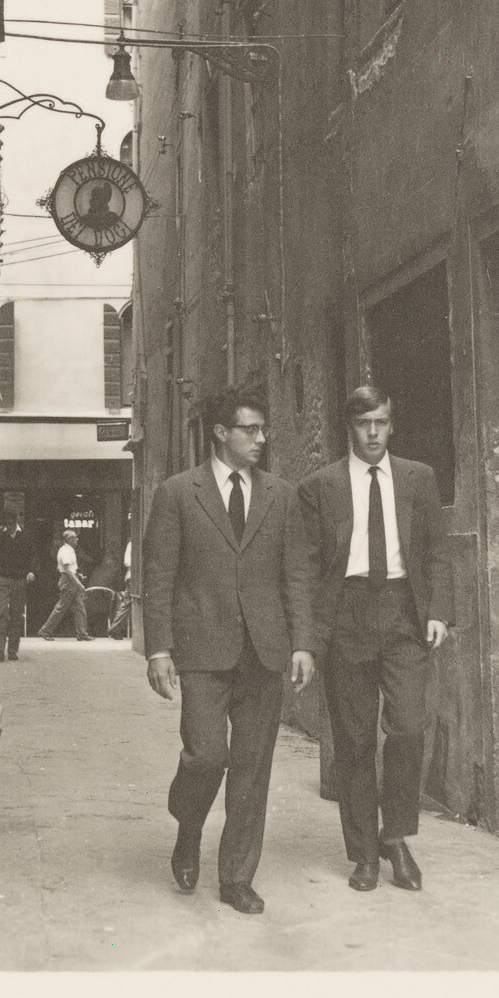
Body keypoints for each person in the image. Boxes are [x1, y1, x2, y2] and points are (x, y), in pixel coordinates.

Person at [142, 387, 315, 914]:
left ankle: (237, 876)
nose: (261, 439)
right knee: (206, 756)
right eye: (250, 429)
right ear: (221, 433)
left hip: (264, 651)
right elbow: (160, 574)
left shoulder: (281, 495)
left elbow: (296, 575)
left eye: (264, 430)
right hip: (201, 649)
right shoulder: (178, 493)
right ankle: (189, 826)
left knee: (252, 766)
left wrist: (303, 643)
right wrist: (159, 650)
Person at [296, 384, 452, 894]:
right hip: (348, 614)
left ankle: (396, 835)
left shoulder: (417, 478)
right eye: (364, 425)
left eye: (381, 423)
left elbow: (434, 550)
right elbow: (308, 565)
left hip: (404, 612)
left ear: (391, 424)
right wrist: (311, 636)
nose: (373, 433)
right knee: (355, 739)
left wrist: (438, 613)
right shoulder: (321, 486)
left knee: (408, 725)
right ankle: (364, 852)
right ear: (350, 428)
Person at [0, 514, 35, 661]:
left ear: (16, 522)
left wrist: (30, 571)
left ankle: (12, 650)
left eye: (11, 523)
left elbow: (32, 555)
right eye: (7, 524)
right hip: (3, 578)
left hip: (19, 579)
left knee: (16, 614)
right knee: (2, 613)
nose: (9, 526)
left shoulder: (25, 535)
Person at [37, 529, 92, 641]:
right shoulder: (66, 551)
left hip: (71, 580)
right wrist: (78, 583)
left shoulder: (69, 550)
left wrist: (78, 575)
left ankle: (82, 632)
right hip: (69, 582)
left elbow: (69, 569)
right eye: (75, 537)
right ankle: (45, 630)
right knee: (62, 607)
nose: (77, 539)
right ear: (69, 539)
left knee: (79, 607)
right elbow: (67, 569)